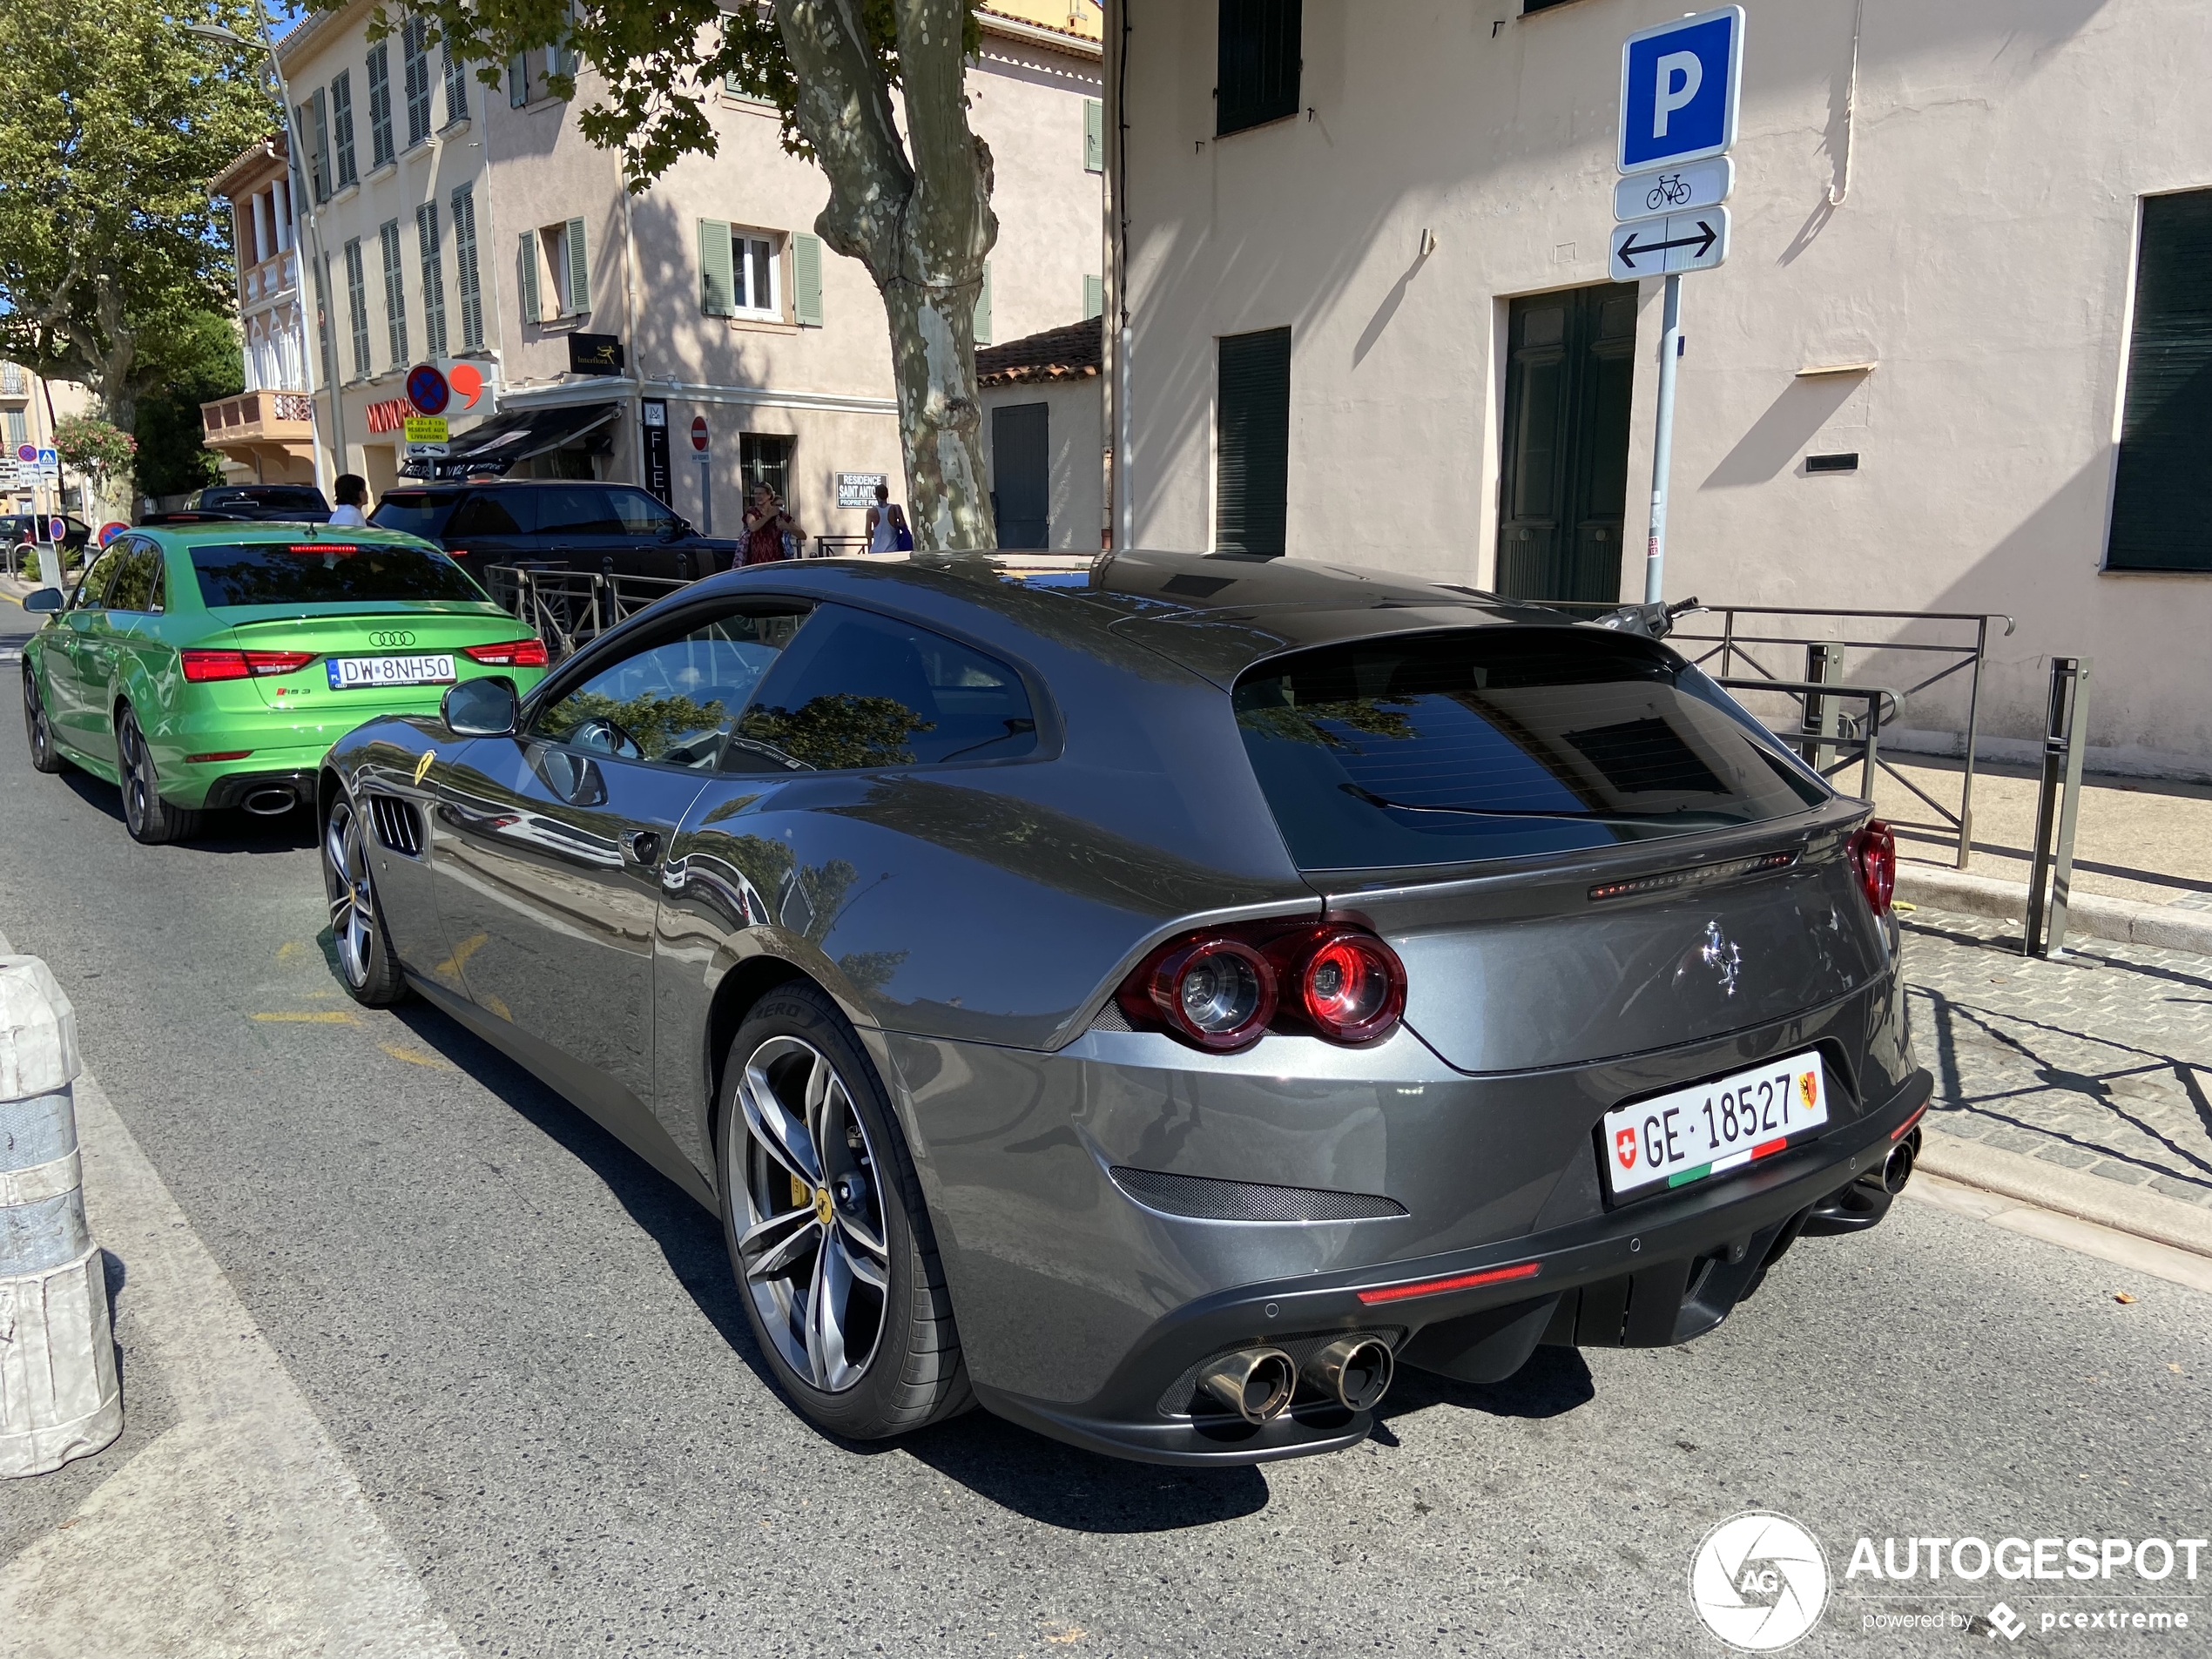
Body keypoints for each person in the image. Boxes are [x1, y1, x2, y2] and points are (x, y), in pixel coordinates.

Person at [743, 482, 800, 565]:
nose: (758, 496)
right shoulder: (752, 512)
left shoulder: (780, 514)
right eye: (755, 494)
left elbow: (802, 535)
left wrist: (787, 527)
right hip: (758, 563)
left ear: (769, 495)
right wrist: (769, 515)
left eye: (761, 493)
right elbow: (753, 527)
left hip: (778, 562)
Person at [866, 482, 910, 555]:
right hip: (893, 550)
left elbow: (868, 535)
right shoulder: (896, 508)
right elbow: (904, 526)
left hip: (876, 551)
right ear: (887, 495)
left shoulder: (871, 512)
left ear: (876, 496)